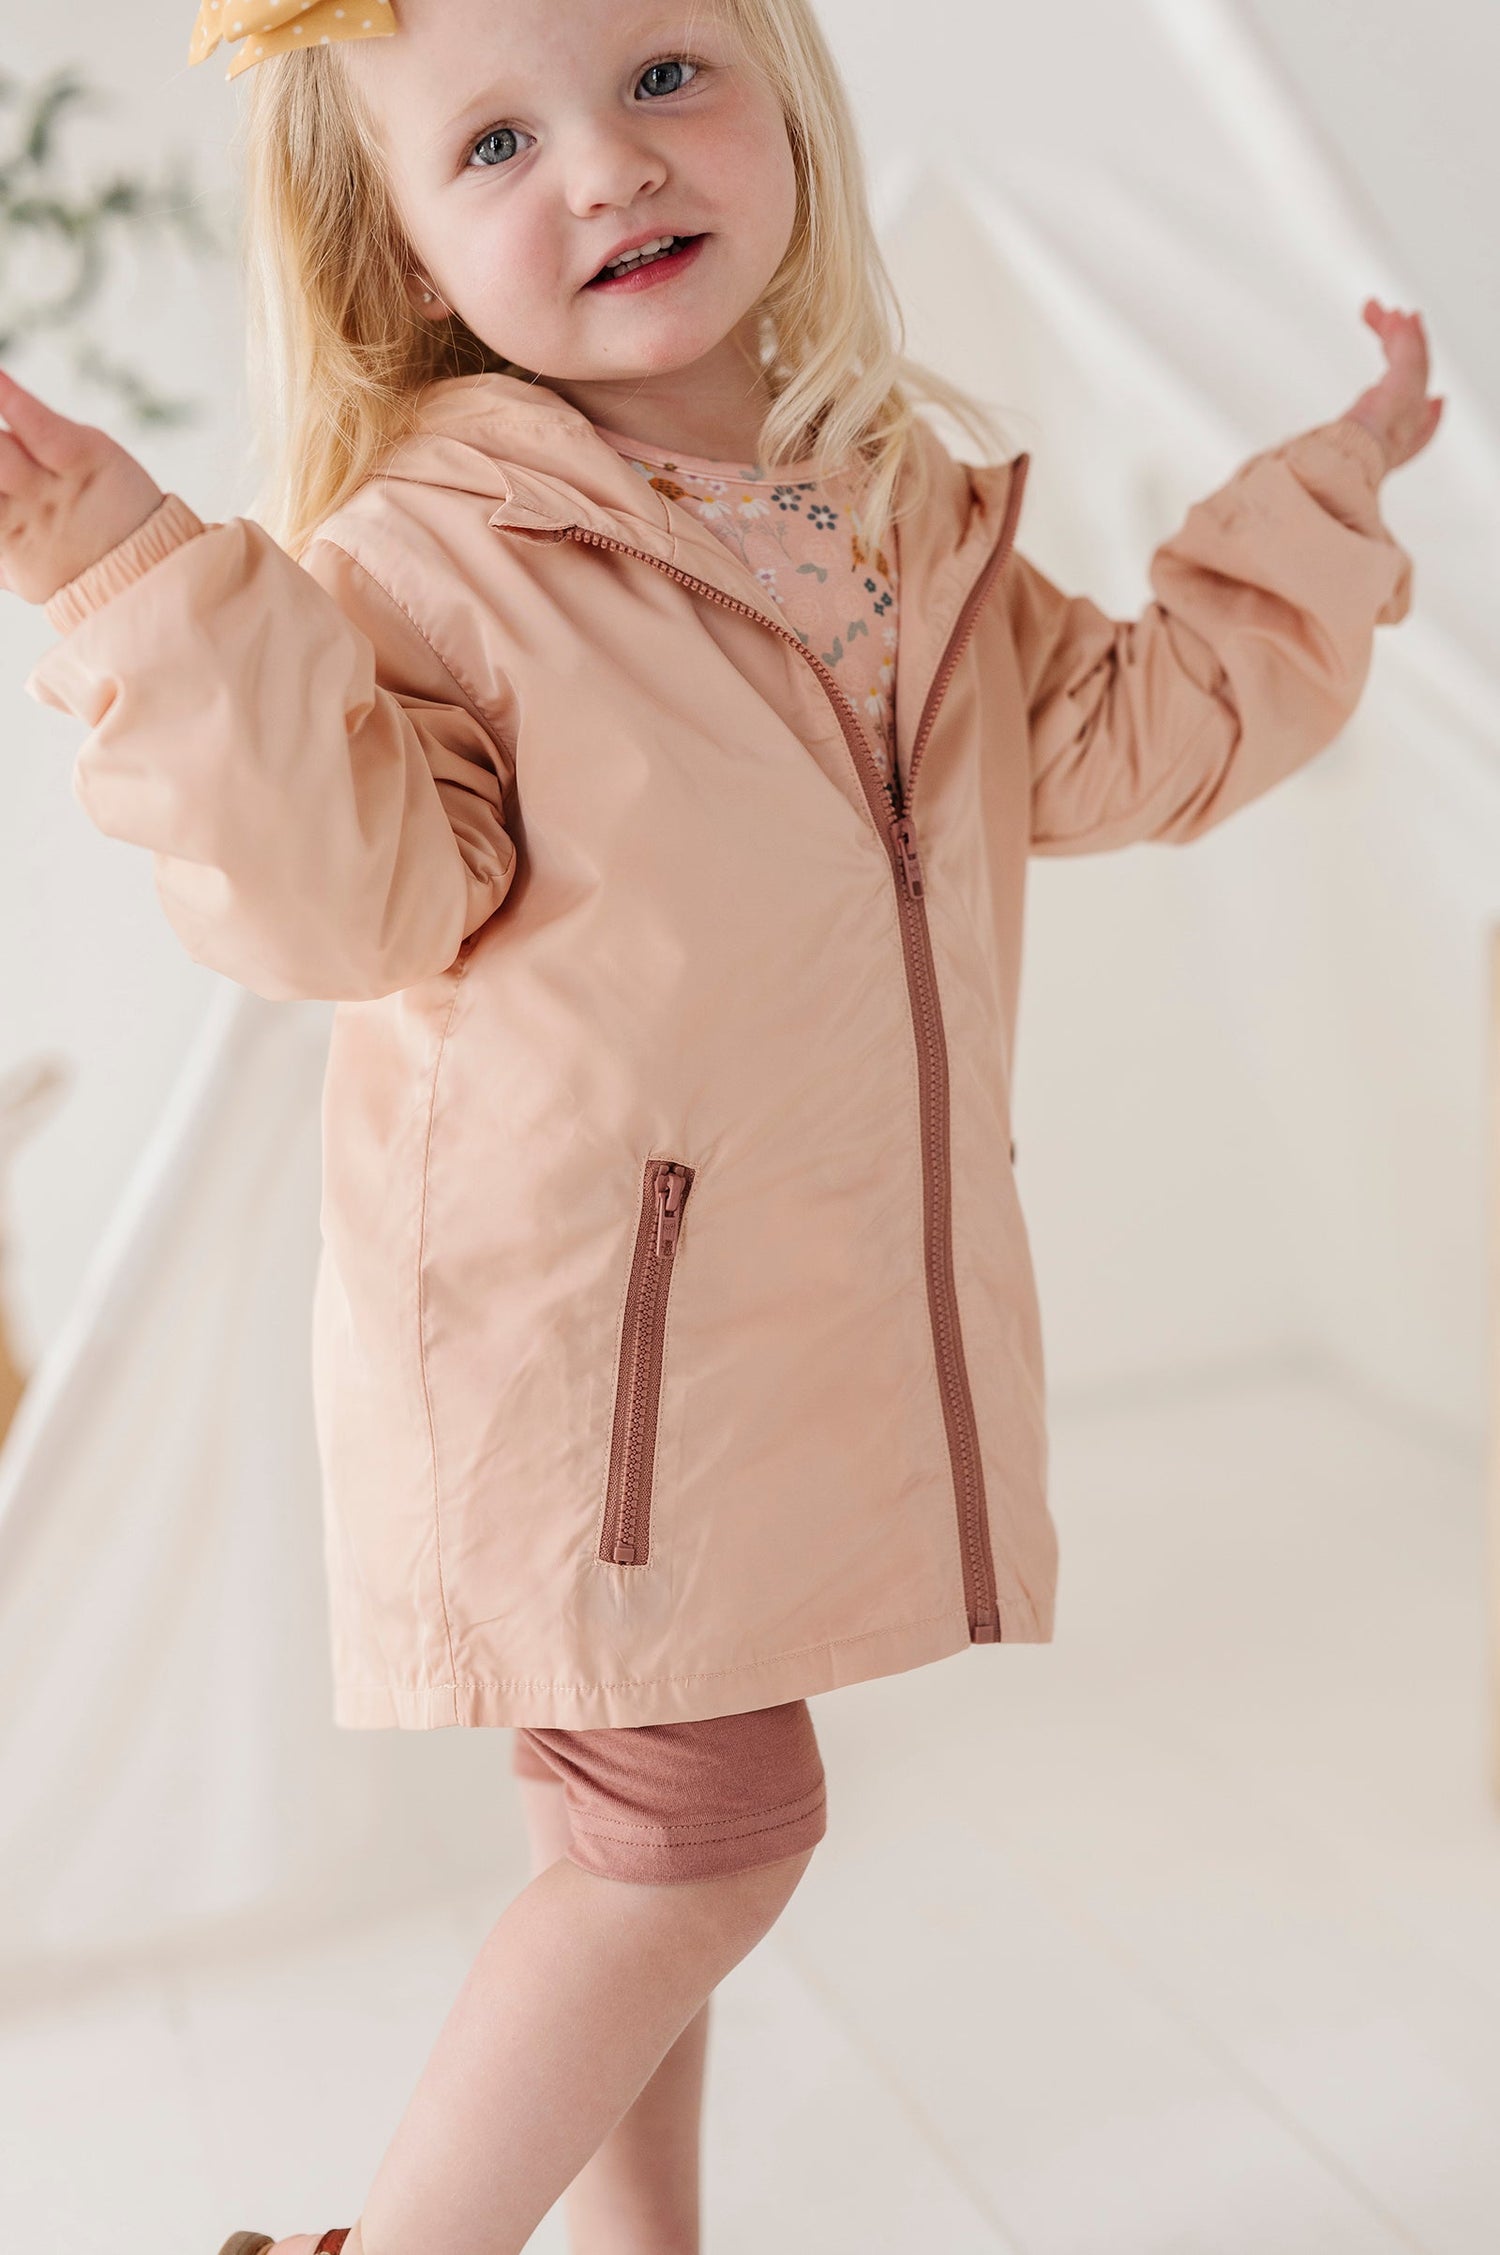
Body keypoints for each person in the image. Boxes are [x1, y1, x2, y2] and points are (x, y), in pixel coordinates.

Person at [0, 0, 1442, 2248]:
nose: (608, 165)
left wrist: (1324, 504)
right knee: (703, 1840)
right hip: (577, 1355)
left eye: (664, 74)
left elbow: (1134, 734)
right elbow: (343, 892)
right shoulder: (436, 561)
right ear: (399, 251)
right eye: (495, 143)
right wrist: (133, 576)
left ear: (786, 100)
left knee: (633, 1839)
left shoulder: (900, 513)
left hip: (751, 1334)